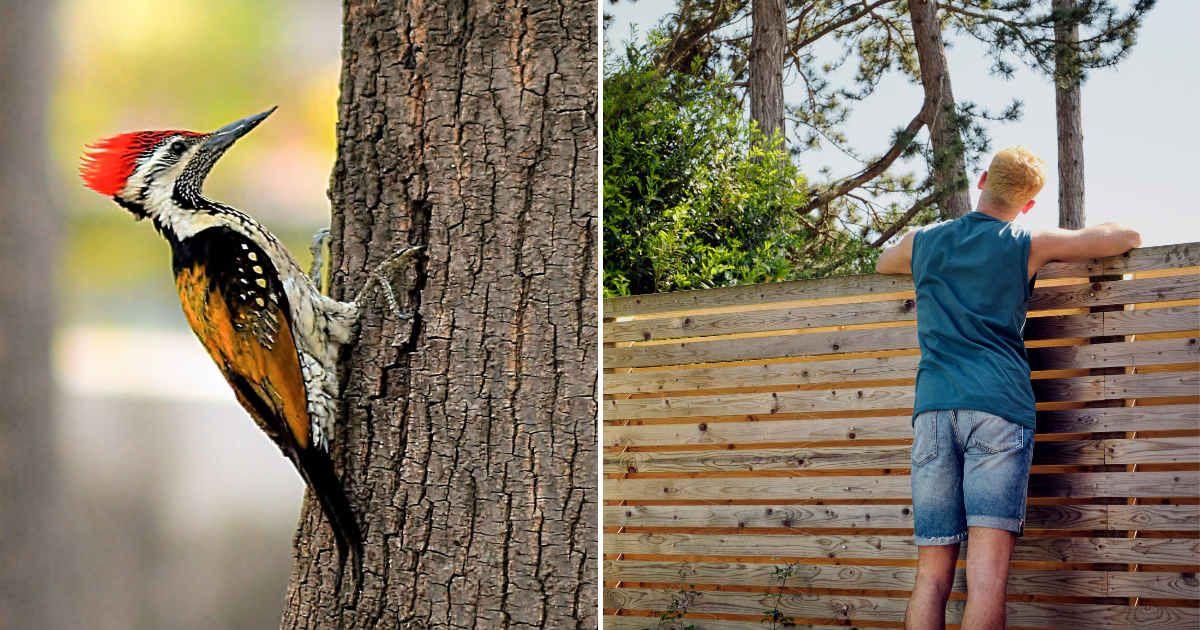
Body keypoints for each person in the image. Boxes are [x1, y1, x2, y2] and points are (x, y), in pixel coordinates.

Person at [875, 147, 1141, 630]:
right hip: (999, 409)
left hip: (933, 413)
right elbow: (1123, 237)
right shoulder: (1026, 240)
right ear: (1029, 203)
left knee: (931, 577)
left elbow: (882, 262)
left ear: (981, 180)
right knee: (987, 580)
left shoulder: (924, 240)